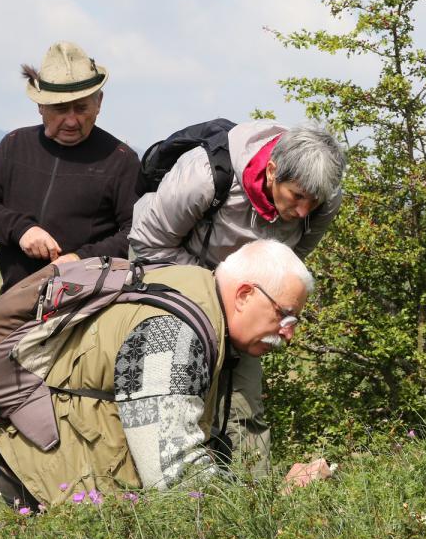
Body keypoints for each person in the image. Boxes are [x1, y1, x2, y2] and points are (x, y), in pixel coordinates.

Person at [0, 240, 315, 508]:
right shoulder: (173, 335)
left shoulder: (189, 286)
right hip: (48, 475)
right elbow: (175, 477)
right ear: (244, 295)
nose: (288, 333)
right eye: (285, 315)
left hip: (42, 452)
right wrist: (278, 500)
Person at [129, 122, 346, 475]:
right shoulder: (206, 176)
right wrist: (218, 293)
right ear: (272, 170)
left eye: (315, 201)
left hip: (246, 308)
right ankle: (179, 494)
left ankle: (252, 499)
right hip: (178, 293)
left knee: (244, 410)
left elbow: (289, 261)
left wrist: (249, 304)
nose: (304, 212)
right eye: (297, 196)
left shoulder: (324, 198)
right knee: (178, 403)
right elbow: (148, 243)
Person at [0, 41, 144, 292]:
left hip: (91, 299)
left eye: (81, 108)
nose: (71, 120)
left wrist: (81, 260)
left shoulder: (121, 159)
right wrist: (22, 230)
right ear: (40, 105)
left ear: (99, 102)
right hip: (17, 294)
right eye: (60, 109)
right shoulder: (16, 144)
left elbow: (136, 233)